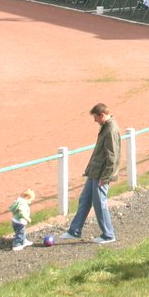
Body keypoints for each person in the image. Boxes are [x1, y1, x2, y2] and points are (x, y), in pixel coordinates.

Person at [60, 103, 121, 244]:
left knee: (100, 204)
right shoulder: (105, 127)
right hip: (94, 173)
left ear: (102, 115)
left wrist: (105, 177)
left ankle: (108, 234)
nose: (94, 121)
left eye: (95, 117)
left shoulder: (111, 130)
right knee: (85, 199)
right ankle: (74, 231)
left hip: (101, 175)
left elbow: (113, 156)